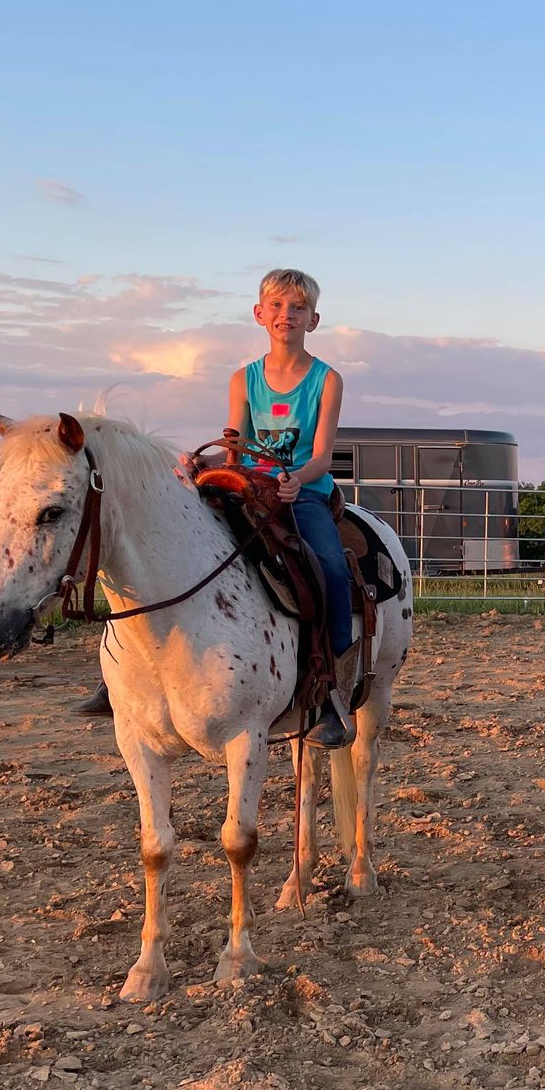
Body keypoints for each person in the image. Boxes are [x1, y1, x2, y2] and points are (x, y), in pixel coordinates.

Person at [80, 268, 356, 745]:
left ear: (313, 320)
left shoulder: (327, 380)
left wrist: (297, 479)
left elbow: (322, 457)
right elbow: (236, 448)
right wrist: (200, 461)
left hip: (302, 491)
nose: (286, 315)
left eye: (298, 308)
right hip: (247, 485)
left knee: (331, 567)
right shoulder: (244, 379)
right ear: (259, 314)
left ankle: (332, 691)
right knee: (168, 542)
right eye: (277, 306)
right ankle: (120, 675)